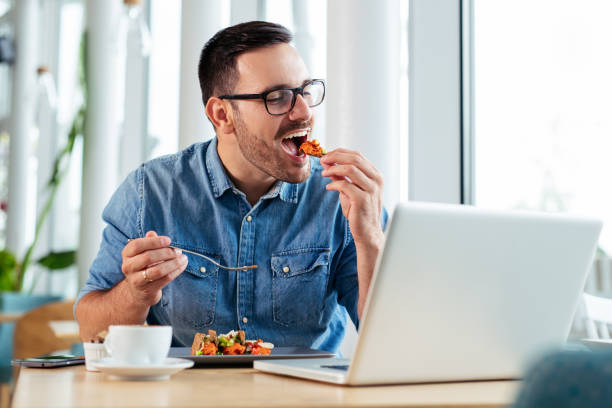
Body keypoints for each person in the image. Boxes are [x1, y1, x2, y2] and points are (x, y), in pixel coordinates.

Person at [75, 21, 387, 352]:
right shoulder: (150, 192)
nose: (304, 111)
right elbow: (90, 330)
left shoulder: (341, 198)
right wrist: (135, 293)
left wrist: (371, 240)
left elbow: (391, 345)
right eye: (278, 97)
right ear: (222, 115)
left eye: (306, 91)